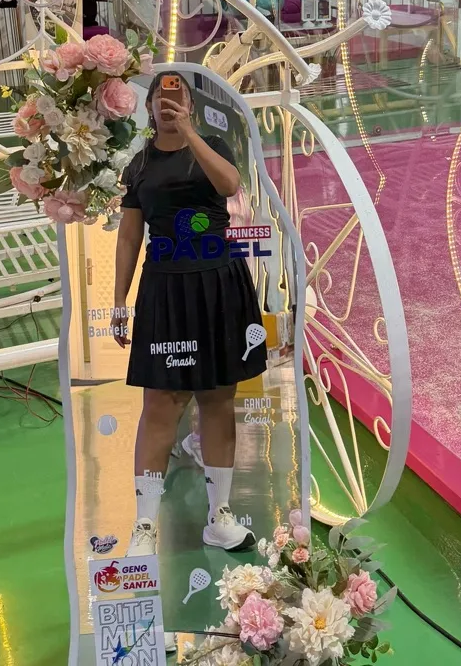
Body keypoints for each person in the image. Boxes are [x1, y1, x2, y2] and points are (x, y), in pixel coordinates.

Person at [111, 71, 267, 560]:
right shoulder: (139, 165)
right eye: (160, 96)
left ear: (192, 107)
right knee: (160, 405)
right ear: (149, 107)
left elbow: (230, 184)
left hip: (219, 285)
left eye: (177, 97)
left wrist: (190, 134)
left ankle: (219, 518)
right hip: (165, 291)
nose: (168, 103)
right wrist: (119, 301)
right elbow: (129, 238)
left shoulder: (213, 145)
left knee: (218, 401)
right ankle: (144, 525)